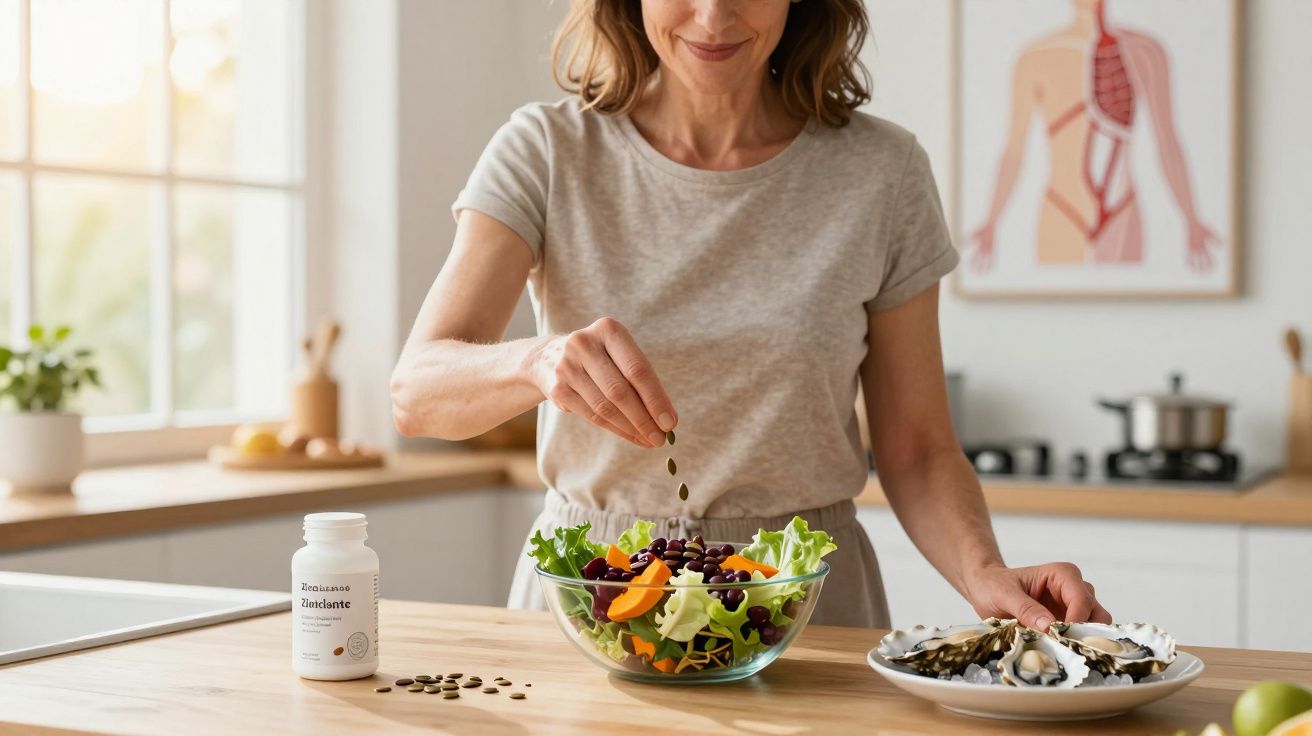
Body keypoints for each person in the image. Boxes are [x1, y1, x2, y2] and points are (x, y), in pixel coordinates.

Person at [391, 0, 1111, 630]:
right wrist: (535, 361)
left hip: (802, 612)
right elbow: (418, 393)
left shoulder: (883, 174)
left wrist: (983, 571)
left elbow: (917, 447)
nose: (713, 15)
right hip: (594, 604)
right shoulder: (547, 151)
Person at [970, 0, 1219, 271]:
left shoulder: (1146, 51)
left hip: (1123, 211)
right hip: (1062, 209)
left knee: (1129, 309)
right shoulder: (1037, 56)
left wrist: (1191, 218)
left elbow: (1168, 141)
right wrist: (992, 220)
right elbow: (1014, 150)